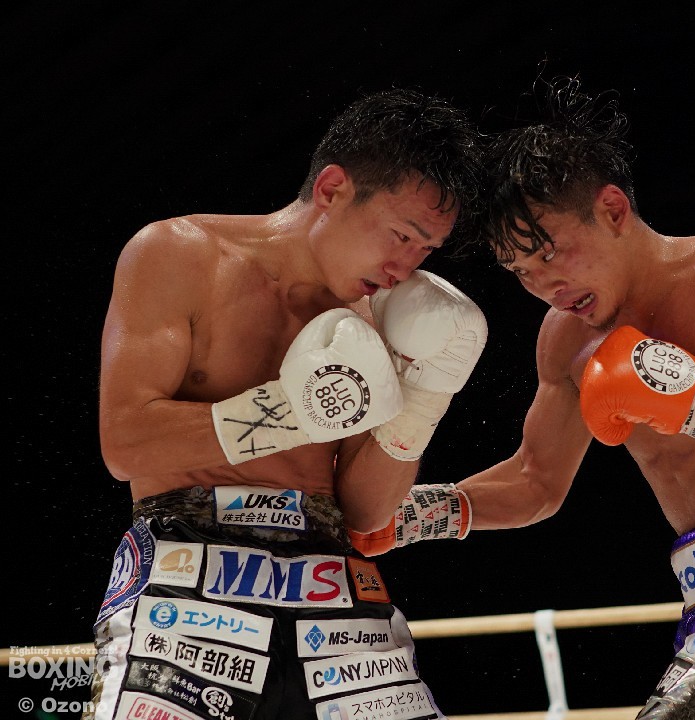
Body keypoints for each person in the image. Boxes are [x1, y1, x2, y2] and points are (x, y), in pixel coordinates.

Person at [350, 78, 695, 720]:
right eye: (521, 272)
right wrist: (409, 515)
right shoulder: (566, 339)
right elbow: (535, 482)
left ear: (612, 209)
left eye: (549, 252)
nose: (545, 285)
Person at [86, 87, 487, 720]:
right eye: (401, 235)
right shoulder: (180, 253)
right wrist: (291, 414)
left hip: (335, 595)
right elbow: (125, 444)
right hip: (185, 578)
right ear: (331, 189)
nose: (404, 268)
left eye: (425, 251)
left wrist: (423, 399)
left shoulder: (377, 321)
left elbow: (365, 512)